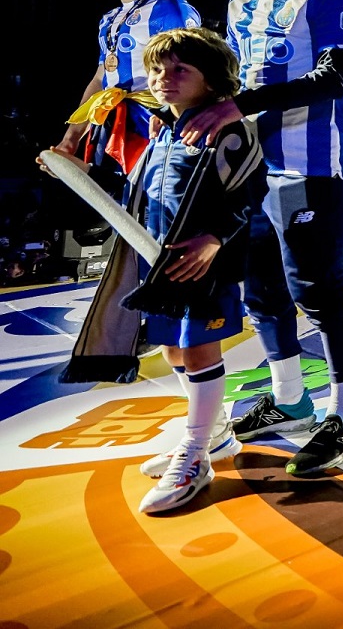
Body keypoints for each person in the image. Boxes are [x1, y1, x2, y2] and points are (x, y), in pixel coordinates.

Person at [181, 0, 343, 478]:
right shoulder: (238, 6)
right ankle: (290, 399)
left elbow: (335, 79)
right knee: (261, 293)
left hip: (310, 168)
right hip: (249, 173)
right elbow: (223, 85)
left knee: (319, 293)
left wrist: (238, 105)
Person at [43, 26, 261, 512]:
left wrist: (213, 238)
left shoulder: (229, 127)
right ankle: (215, 434)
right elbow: (139, 191)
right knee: (173, 349)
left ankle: (196, 452)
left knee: (199, 352)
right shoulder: (164, 130)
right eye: (159, 68)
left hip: (202, 266)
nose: (165, 77)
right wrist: (74, 167)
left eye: (181, 69)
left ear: (212, 78)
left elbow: (250, 191)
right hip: (156, 260)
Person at [57, 0, 200, 180]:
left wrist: (174, 121)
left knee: (142, 197)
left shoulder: (170, 9)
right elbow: (100, 79)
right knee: (103, 195)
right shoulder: (109, 19)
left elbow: (192, 69)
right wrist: (70, 139)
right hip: (110, 122)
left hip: (152, 123)